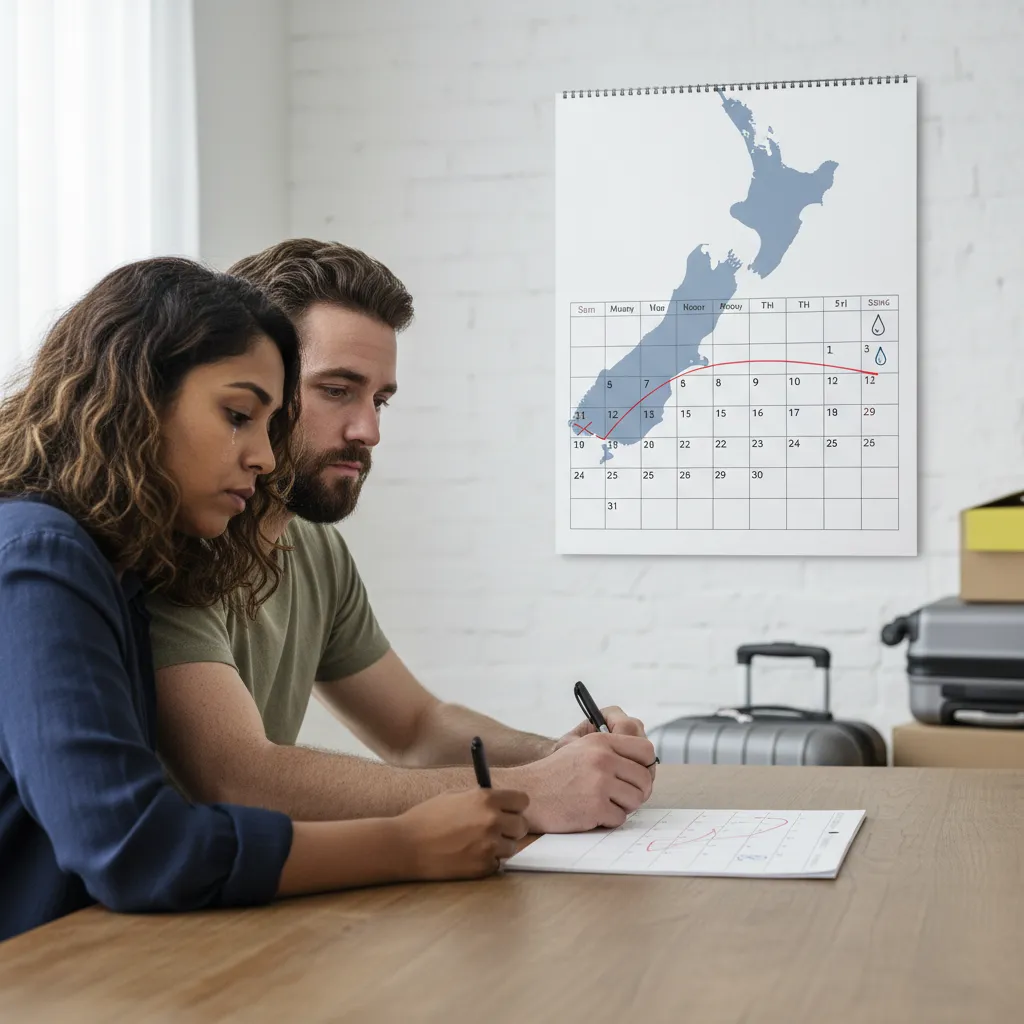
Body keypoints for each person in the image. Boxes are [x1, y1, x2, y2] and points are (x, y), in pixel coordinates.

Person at [0, 257, 528, 943]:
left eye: (269, 422)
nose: (265, 457)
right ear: (136, 395)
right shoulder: (40, 558)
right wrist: (404, 843)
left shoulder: (112, 559)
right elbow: (134, 846)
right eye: (238, 415)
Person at [148, 239, 657, 833]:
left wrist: (558, 757)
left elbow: (414, 727)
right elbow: (239, 779)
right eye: (337, 390)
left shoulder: (314, 549)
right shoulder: (171, 544)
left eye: (380, 400)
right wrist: (533, 789)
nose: (368, 431)